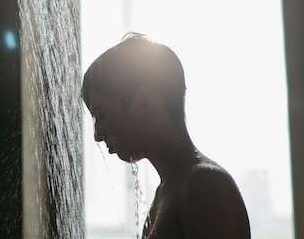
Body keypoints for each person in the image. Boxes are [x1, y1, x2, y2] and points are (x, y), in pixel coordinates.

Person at [81, 33, 251, 239]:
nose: (97, 135)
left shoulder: (204, 186)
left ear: (145, 103)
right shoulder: (171, 189)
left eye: (101, 115)